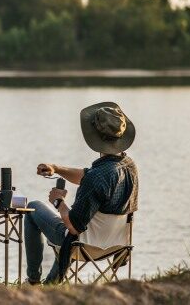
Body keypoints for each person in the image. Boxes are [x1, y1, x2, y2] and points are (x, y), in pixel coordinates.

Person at [24, 102, 140, 284]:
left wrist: (58, 201)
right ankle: (50, 285)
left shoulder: (97, 177)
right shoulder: (129, 166)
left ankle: (33, 281)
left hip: (84, 246)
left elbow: (73, 226)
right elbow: (87, 176)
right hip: (115, 245)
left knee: (33, 208)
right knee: (79, 226)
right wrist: (56, 168)